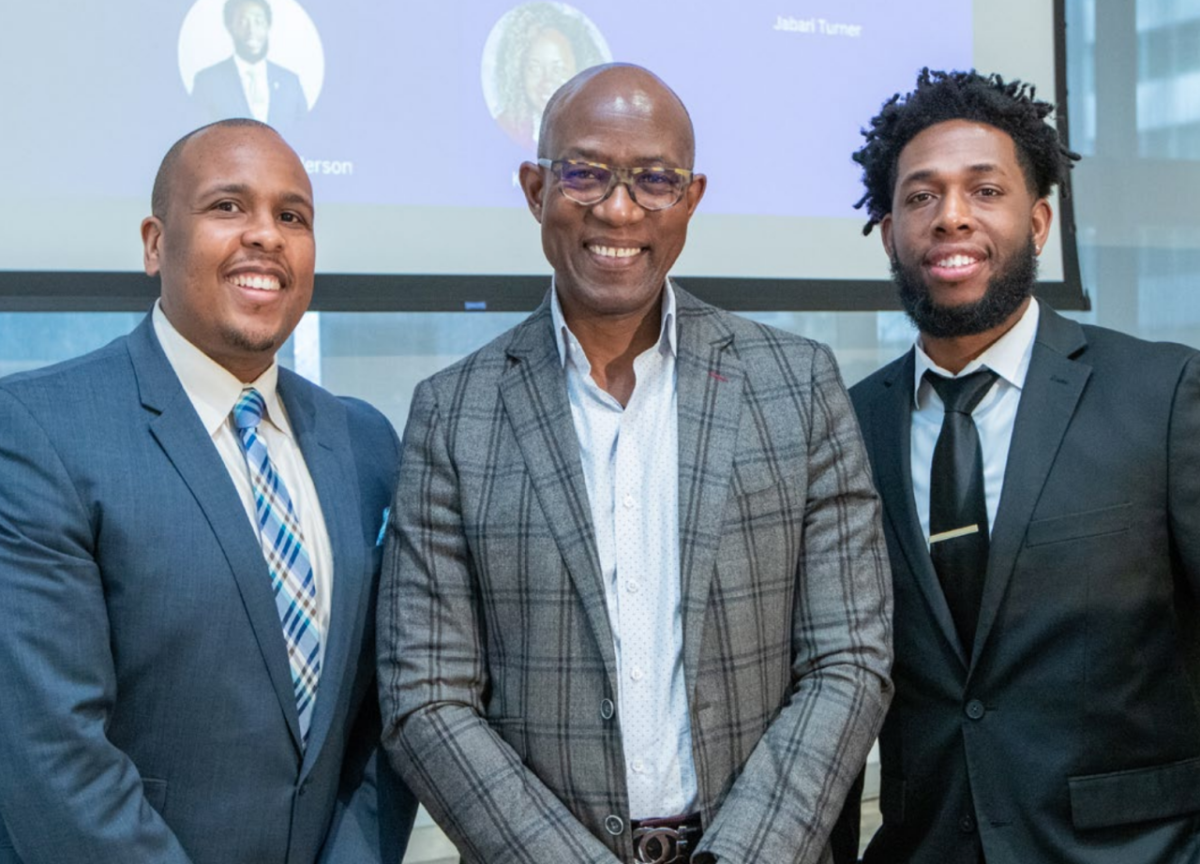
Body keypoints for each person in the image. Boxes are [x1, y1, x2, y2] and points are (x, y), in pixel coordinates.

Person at [378, 63, 893, 864]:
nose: (619, 208)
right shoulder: (452, 413)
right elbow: (426, 698)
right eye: (585, 173)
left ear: (691, 198)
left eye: (655, 180)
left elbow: (849, 660)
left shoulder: (798, 384)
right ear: (534, 189)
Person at [0, 119, 416, 863]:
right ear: (155, 242)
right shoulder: (38, 428)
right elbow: (47, 752)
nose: (266, 235)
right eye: (228, 207)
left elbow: (380, 719)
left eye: (293, 216)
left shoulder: (365, 443)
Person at [840, 69, 1200, 863]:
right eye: (920, 197)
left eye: (985, 190)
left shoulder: (1164, 394)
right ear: (889, 229)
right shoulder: (846, 426)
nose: (952, 218)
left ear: (1038, 223)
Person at [488, 2, 609, 151]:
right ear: (519, 74)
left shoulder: (602, 132)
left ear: (580, 70)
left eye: (558, 69)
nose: (546, 81)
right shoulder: (504, 128)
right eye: (535, 68)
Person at [191, 0, 308, 133]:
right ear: (230, 27)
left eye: (258, 21)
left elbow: (305, 134)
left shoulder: (290, 82)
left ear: (268, 25)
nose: (251, 31)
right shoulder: (208, 81)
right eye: (243, 22)